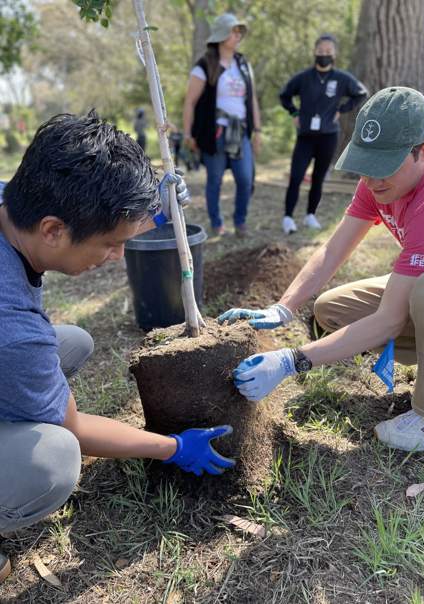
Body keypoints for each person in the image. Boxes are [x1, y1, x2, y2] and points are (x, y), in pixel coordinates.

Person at [0, 112, 235, 583]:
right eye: (110, 244)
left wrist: (154, 212)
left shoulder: (14, 204)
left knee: (71, 342)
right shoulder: (13, 325)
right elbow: (77, 430)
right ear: (52, 231)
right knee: (54, 456)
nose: (116, 258)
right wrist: (172, 447)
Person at [219, 86, 424, 453]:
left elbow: (391, 320)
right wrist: (283, 307)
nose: (373, 180)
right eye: (366, 164)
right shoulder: (377, 185)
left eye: (385, 166)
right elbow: (332, 250)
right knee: (333, 308)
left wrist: (292, 360)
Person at [183, 13, 262, 237]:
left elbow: (252, 99)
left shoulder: (244, 64)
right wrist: (188, 134)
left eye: (239, 31)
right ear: (221, 35)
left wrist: (257, 130)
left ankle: (240, 222)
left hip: (240, 132)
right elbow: (190, 102)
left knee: (245, 179)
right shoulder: (205, 65)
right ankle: (217, 223)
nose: (238, 35)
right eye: (233, 31)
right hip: (214, 132)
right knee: (215, 180)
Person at [280, 34, 367, 233]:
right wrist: (294, 112)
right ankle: (288, 218)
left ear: (334, 54)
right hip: (305, 136)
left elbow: (361, 93)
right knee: (296, 176)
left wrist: (342, 109)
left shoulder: (342, 78)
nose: (324, 55)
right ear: (314, 52)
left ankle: (310, 215)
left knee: (318, 178)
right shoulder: (303, 78)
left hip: (328, 136)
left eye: (328, 51)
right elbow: (284, 95)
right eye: (321, 51)